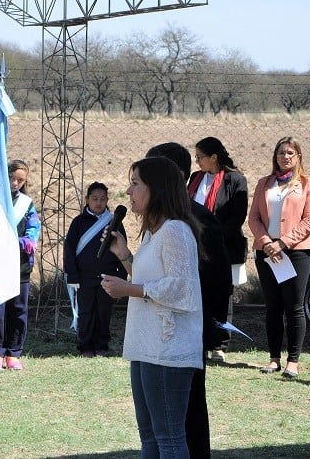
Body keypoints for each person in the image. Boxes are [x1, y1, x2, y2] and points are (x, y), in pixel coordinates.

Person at [100, 156, 202, 459]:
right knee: (150, 438)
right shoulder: (151, 233)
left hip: (167, 352)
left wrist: (126, 290)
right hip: (145, 345)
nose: (128, 192)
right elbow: (153, 280)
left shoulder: (175, 231)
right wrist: (125, 257)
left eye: (135, 184)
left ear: (156, 189)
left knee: (168, 438)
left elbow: (182, 288)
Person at [147, 142, 231, 459]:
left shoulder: (197, 218)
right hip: (160, 329)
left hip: (189, 329)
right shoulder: (158, 219)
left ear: (173, 175)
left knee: (190, 408)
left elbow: (217, 277)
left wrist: (209, 328)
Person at [248, 136, 310, 379]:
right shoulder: (264, 183)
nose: (285, 157)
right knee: (273, 307)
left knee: (294, 306)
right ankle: (274, 358)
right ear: (275, 156)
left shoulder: (309, 184)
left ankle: (293, 361)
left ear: (298, 156)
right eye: (281, 153)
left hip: (296, 252)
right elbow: (254, 218)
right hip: (266, 252)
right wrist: (267, 242)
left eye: (290, 153)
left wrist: (284, 243)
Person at [188, 136, 249, 363]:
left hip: (222, 247)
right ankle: (199, 339)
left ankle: (219, 344)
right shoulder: (196, 179)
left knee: (222, 296)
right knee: (198, 293)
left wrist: (211, 238)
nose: (197, 162)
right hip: (195, 246)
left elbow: (237, 217)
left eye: (200, 157)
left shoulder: (235, 180)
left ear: (214, 157)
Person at [63, 181, 127, 357]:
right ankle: (85, 346)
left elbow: (123, 249)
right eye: (94, 198)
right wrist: (73, 275)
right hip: (84, 277)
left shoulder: (114, 222)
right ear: (87, 199)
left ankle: (101, 345)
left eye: (102, 199)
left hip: (108, 277)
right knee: (85, 312)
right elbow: (69, 249)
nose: (98, 202)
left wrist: (121, 276)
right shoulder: (78, 222)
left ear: (107, 200)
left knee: (103, 312)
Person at [0, 159, 41, 371]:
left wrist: (18, 243)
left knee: (18, 309)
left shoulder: (26, 204)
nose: (15, 183)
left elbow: (33, 231)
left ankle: (14, 352)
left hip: (20, 265)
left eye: (20, 180)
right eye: (12, 178)